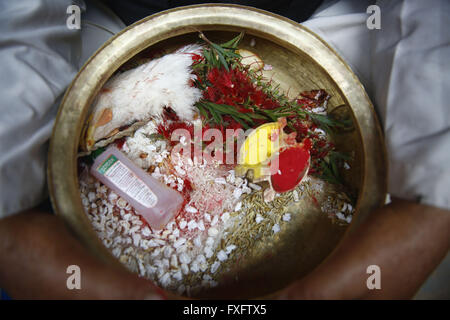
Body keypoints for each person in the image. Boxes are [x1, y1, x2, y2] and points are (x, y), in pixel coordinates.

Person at [0, 0, 448, 299]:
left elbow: (427, 21)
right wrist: (11, 225)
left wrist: (435, 194)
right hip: (113, 30)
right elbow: (22, 21)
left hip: (324, 23)